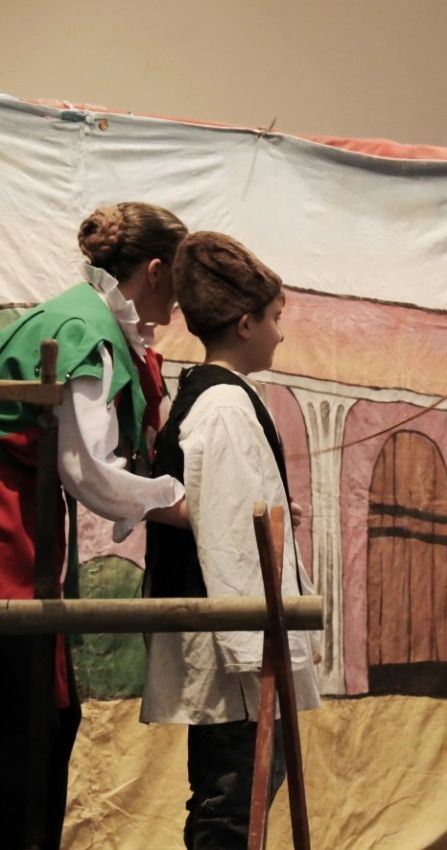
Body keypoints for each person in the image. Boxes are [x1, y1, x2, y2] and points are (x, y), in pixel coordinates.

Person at [0, 202, 190, 850]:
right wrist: (182, 504)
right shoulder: (86, 330)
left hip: (27, 531)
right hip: (7, 538)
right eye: (178, 279)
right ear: (156, 270)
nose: (180, 301)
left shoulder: (88, 319)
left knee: (47, 722)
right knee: (28, 734)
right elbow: (90, 472)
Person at [140, 232, 320, 850]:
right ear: (245, 323)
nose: (280, 334)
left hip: (237, 639)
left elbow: (231, 506)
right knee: (234, 794)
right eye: (275, 319)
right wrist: (258, 645)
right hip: (235, 643)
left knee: (244, 787)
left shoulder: (221, 396)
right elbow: (230, 538)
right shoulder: (223, 405)